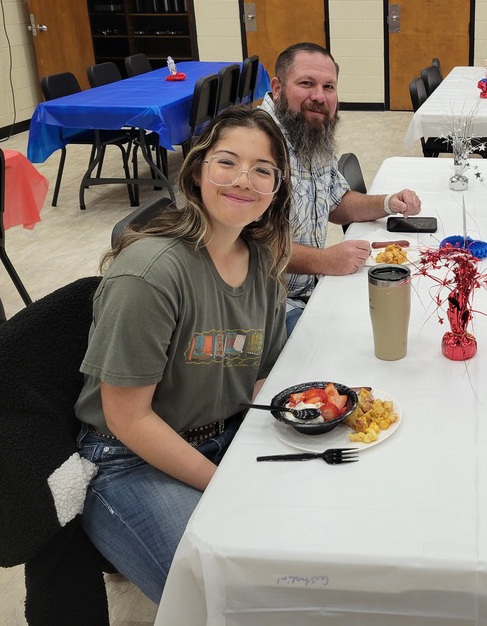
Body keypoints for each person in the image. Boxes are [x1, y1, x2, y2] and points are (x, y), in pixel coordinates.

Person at [74, 105, 292, 603]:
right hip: (128, 457)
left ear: (275, 191)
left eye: (263, 170)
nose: (244, 179)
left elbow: (257, 379)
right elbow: (128, 418)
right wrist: (226, 485)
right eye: (227, 162)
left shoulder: (262, 262)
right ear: (196, 173)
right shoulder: (150, 274)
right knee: (226, 592)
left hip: (221, 433)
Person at [258, 42, 421, 334]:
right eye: (306, 83)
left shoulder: (307, 128)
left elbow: (337, 205)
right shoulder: (255, 144)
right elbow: (250, 247)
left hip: (310, 289)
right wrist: (325, 260)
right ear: (278, 87)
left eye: (329, 87)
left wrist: (388, 203)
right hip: (266, 308)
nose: (319, 96)